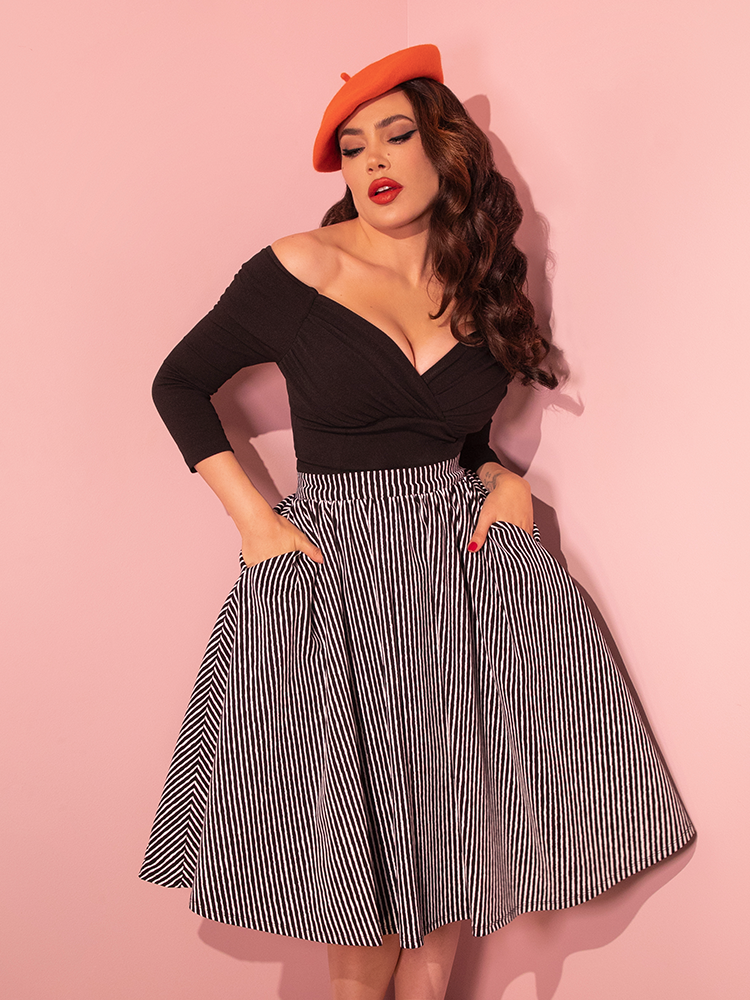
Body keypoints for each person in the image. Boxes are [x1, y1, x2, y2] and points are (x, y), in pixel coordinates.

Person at [140, 44, 695, 1000]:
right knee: (357, 893)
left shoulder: (483, 280)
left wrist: (500, 477)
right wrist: (255, 522)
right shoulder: (298, 268)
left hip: (457, 576)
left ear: (445, 149)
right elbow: (177, 383)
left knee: (449, 859)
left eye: (395, 136)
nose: (373, 162)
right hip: (336, 578)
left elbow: (458, 432)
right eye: (353, 148)